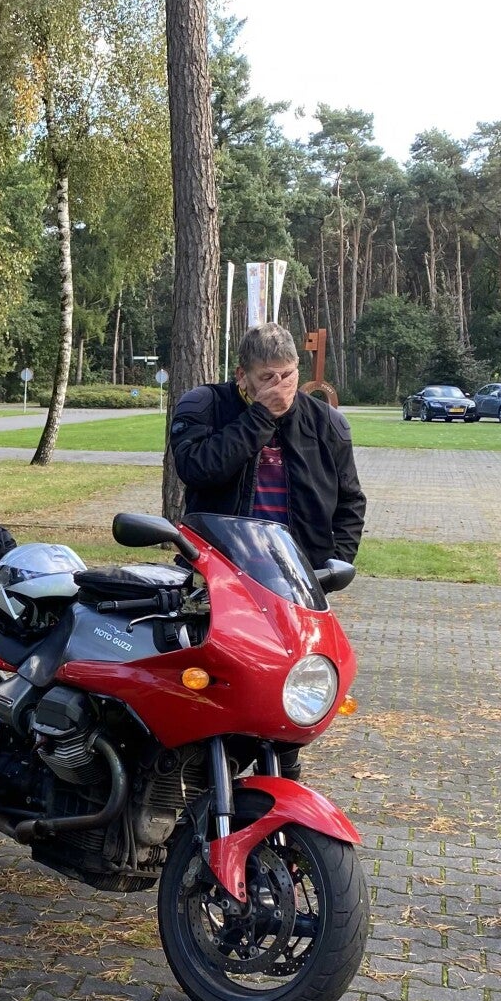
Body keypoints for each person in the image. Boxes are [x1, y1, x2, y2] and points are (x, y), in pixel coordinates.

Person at [169, 322, 367, 777]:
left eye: (288, 375)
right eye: (267, 378)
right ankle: (203, 779)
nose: (281, 386)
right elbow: (198, 468)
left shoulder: (327, 423)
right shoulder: (206, 406)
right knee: (216, 685)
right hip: (218, 577)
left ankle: (279, 779)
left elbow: (351, 500)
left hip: (293, 582)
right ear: (242, 375)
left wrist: (333, 564)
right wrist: (260, 416)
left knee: (289, 690)